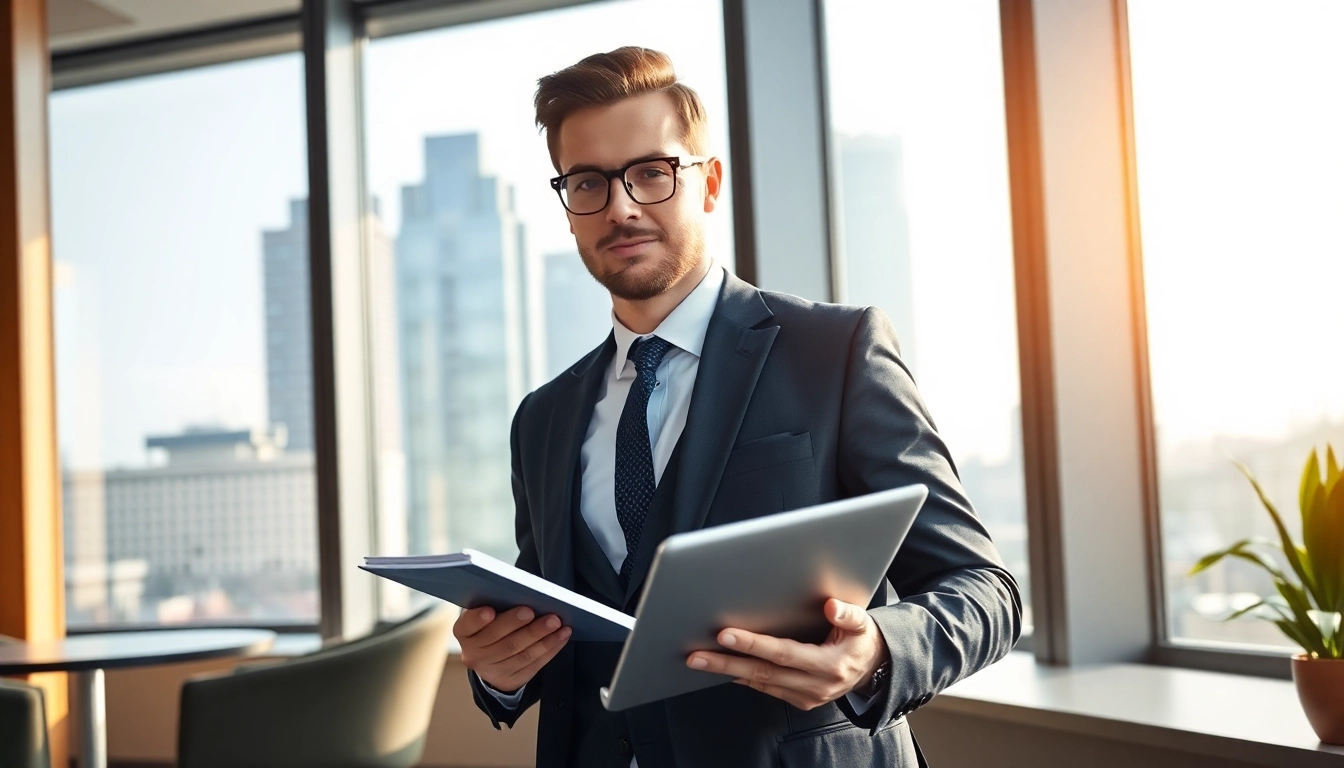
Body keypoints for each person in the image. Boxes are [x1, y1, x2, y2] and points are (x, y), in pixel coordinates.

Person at [454, 46, 1021, 768]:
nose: (621, 206)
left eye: (652, 173)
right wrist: (501, 673)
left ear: (709, 183)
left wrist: (877, 649)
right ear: (567, 208)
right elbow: (552, 630)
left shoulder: (837, 350)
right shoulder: (542, 418)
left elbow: (986, 592)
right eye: (589, 182)